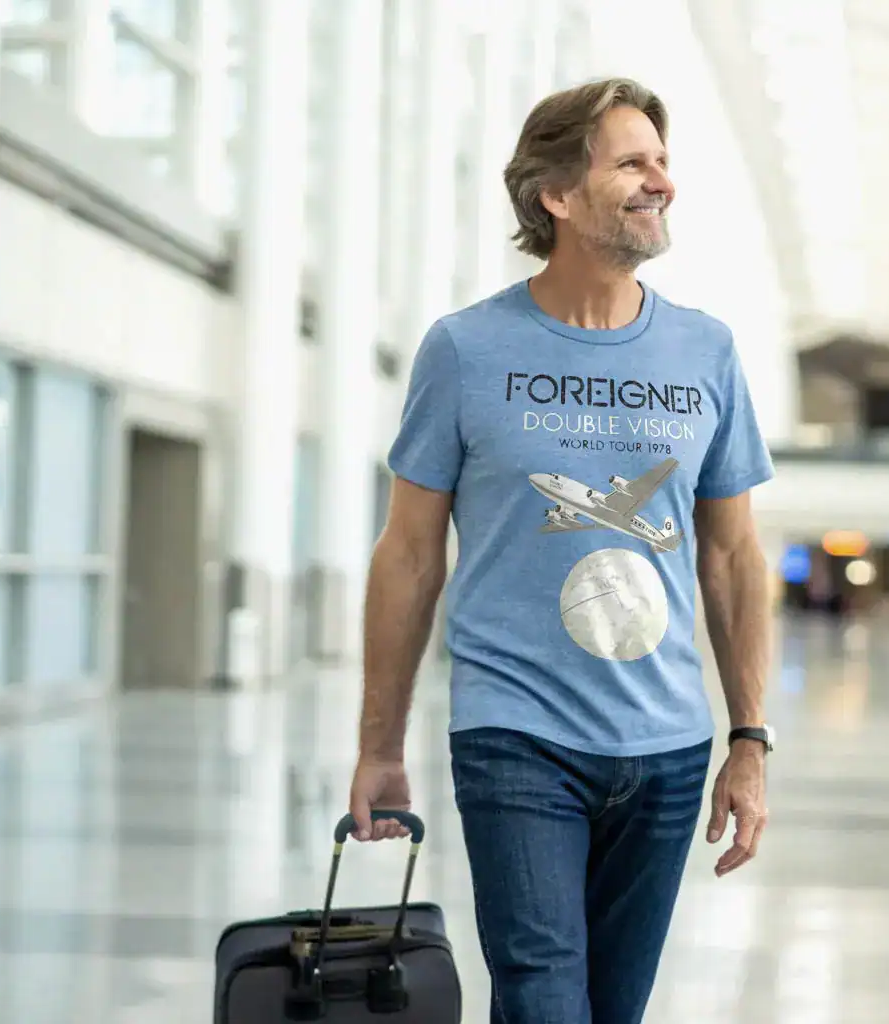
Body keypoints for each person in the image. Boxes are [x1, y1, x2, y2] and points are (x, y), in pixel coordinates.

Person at [348, 77, 776, 1024]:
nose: (661, 180)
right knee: (545, 998)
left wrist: (749, 738)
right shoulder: (465, 349)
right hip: (516, 735)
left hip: (665, 750)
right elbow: (410, 555)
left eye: (663, 162)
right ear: (556, 195)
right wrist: (379, 744)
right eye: (632, 162)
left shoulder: (706, 352)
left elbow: (735, 557)